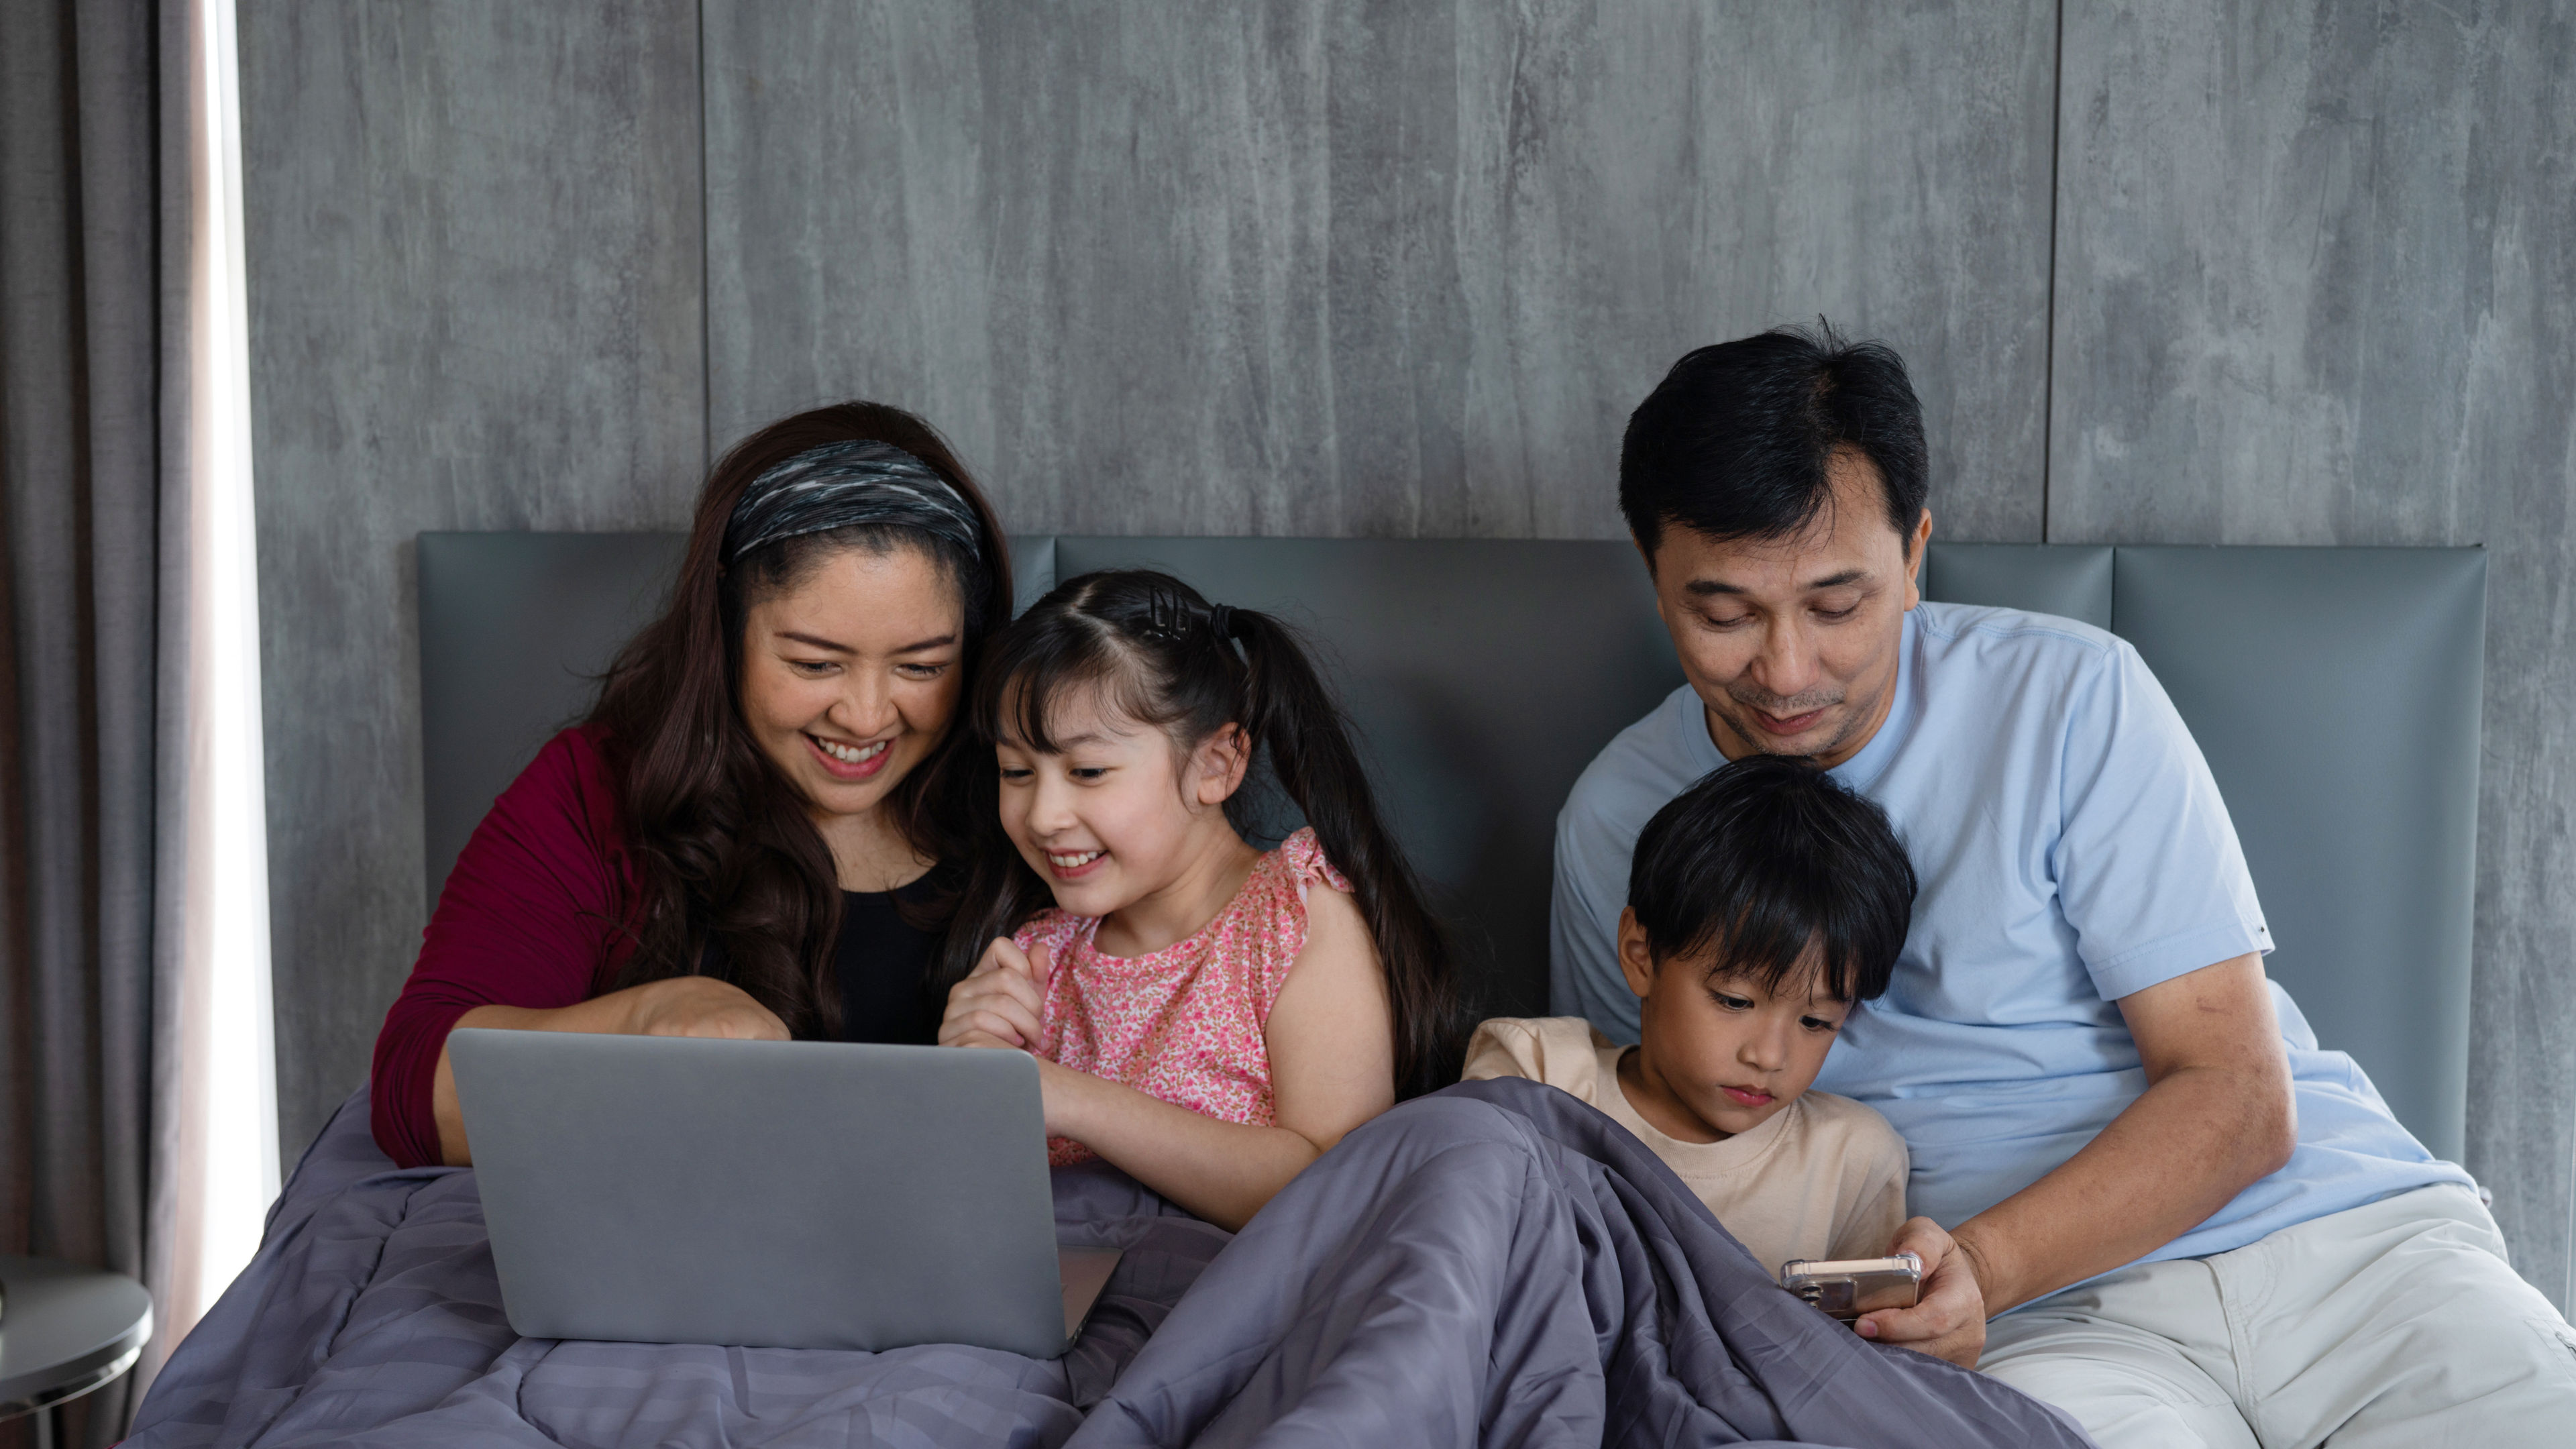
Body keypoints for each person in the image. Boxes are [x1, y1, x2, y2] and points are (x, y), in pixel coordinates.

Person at [1550, 325, 2576, 1444]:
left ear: (1917, 555)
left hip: (2337, 1243)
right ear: (1654, 579)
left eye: (1838, 607)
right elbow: (1649, 1140)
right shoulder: (1618, 819)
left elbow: (2238, 1096)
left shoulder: (2071, 697)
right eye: (1726, 614)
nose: (1786, 673)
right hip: (2033, 1328)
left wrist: (1982, 1264)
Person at [369, 402, 1015, 1169]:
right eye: (814, 664)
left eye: (922, 667)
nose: (868, 715)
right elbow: (410, 1096)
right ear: (726, 624)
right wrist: (645, 1017)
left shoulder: (1044, 792)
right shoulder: (595, 791)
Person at [936, 570, 1464, 1229]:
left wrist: (1069, 1099)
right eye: (1016, 772)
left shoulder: (1294, 916)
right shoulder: (1040, 957)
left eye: (1087, 772)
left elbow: (1337, 1183)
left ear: (1217, 763)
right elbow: (974, 1211)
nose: (1043, 815)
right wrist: (967, 1073)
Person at [1465, 755, 1914, 1279]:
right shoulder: (1538, 1075)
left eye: (1815, 1023)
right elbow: (1463, 1269)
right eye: (1734, 1000)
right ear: (1641, 955)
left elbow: (1848, 1352)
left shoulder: (1852, 1160)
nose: (1768, 1056)